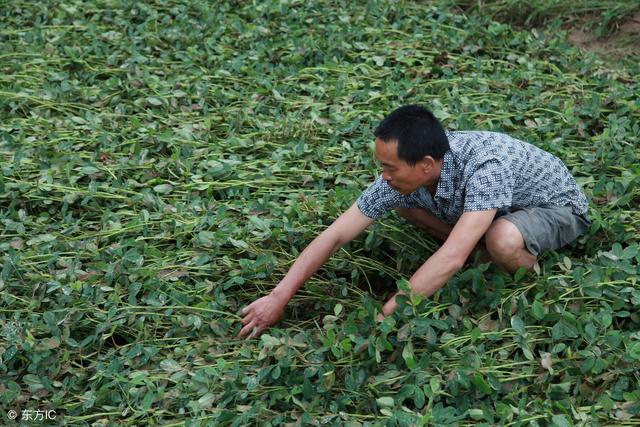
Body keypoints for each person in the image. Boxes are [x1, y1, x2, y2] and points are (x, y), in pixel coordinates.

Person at [238, 105, 591, 339]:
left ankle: (525, 272)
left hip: (555, 208)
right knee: (405, 204)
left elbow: (451, 257)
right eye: (382, 165)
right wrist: (277, 297)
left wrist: (386, 317)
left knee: (501, 241)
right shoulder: (402, 179)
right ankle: (479, 245)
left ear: (425, 164)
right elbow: (335, 235)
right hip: (492, 208)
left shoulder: (486, 166)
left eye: (390, 168)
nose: (383, 176)